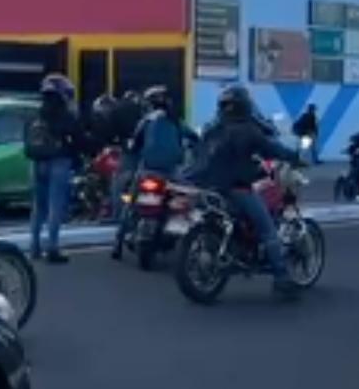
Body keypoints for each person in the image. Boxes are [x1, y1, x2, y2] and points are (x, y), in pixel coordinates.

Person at [187, 84, 303, 297]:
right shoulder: (248, 130)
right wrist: (295, 156)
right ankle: (281, 278)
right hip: (236, 189)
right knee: (268, 229)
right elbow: (272, 148)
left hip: (206, 188)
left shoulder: (212, 129)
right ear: (245, 105)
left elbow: (197, 155)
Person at [111, 86, 196, 261]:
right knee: (184, 202)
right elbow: (195, 138)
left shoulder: (146, 121)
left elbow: (134, 145)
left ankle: (117, 243)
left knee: (130, 203)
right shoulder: (176, 121)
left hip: (148, 171)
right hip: (172, 173)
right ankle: (178, 238)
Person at [25, 73, 85, 264]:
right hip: (59, 161)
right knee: (55, 206)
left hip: (37, 161)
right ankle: (53, 248)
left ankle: (34, 248)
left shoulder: (35, 113)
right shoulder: (65, 113)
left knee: (38, 206)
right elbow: (76, 137)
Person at [109, 90, 145, 219]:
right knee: (140, 184)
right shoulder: (144, 110)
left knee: (121, 184)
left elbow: (111, 130)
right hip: (144, 154)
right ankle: (138, 210)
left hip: (127, 152)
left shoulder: (118, 109)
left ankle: (119, 211)